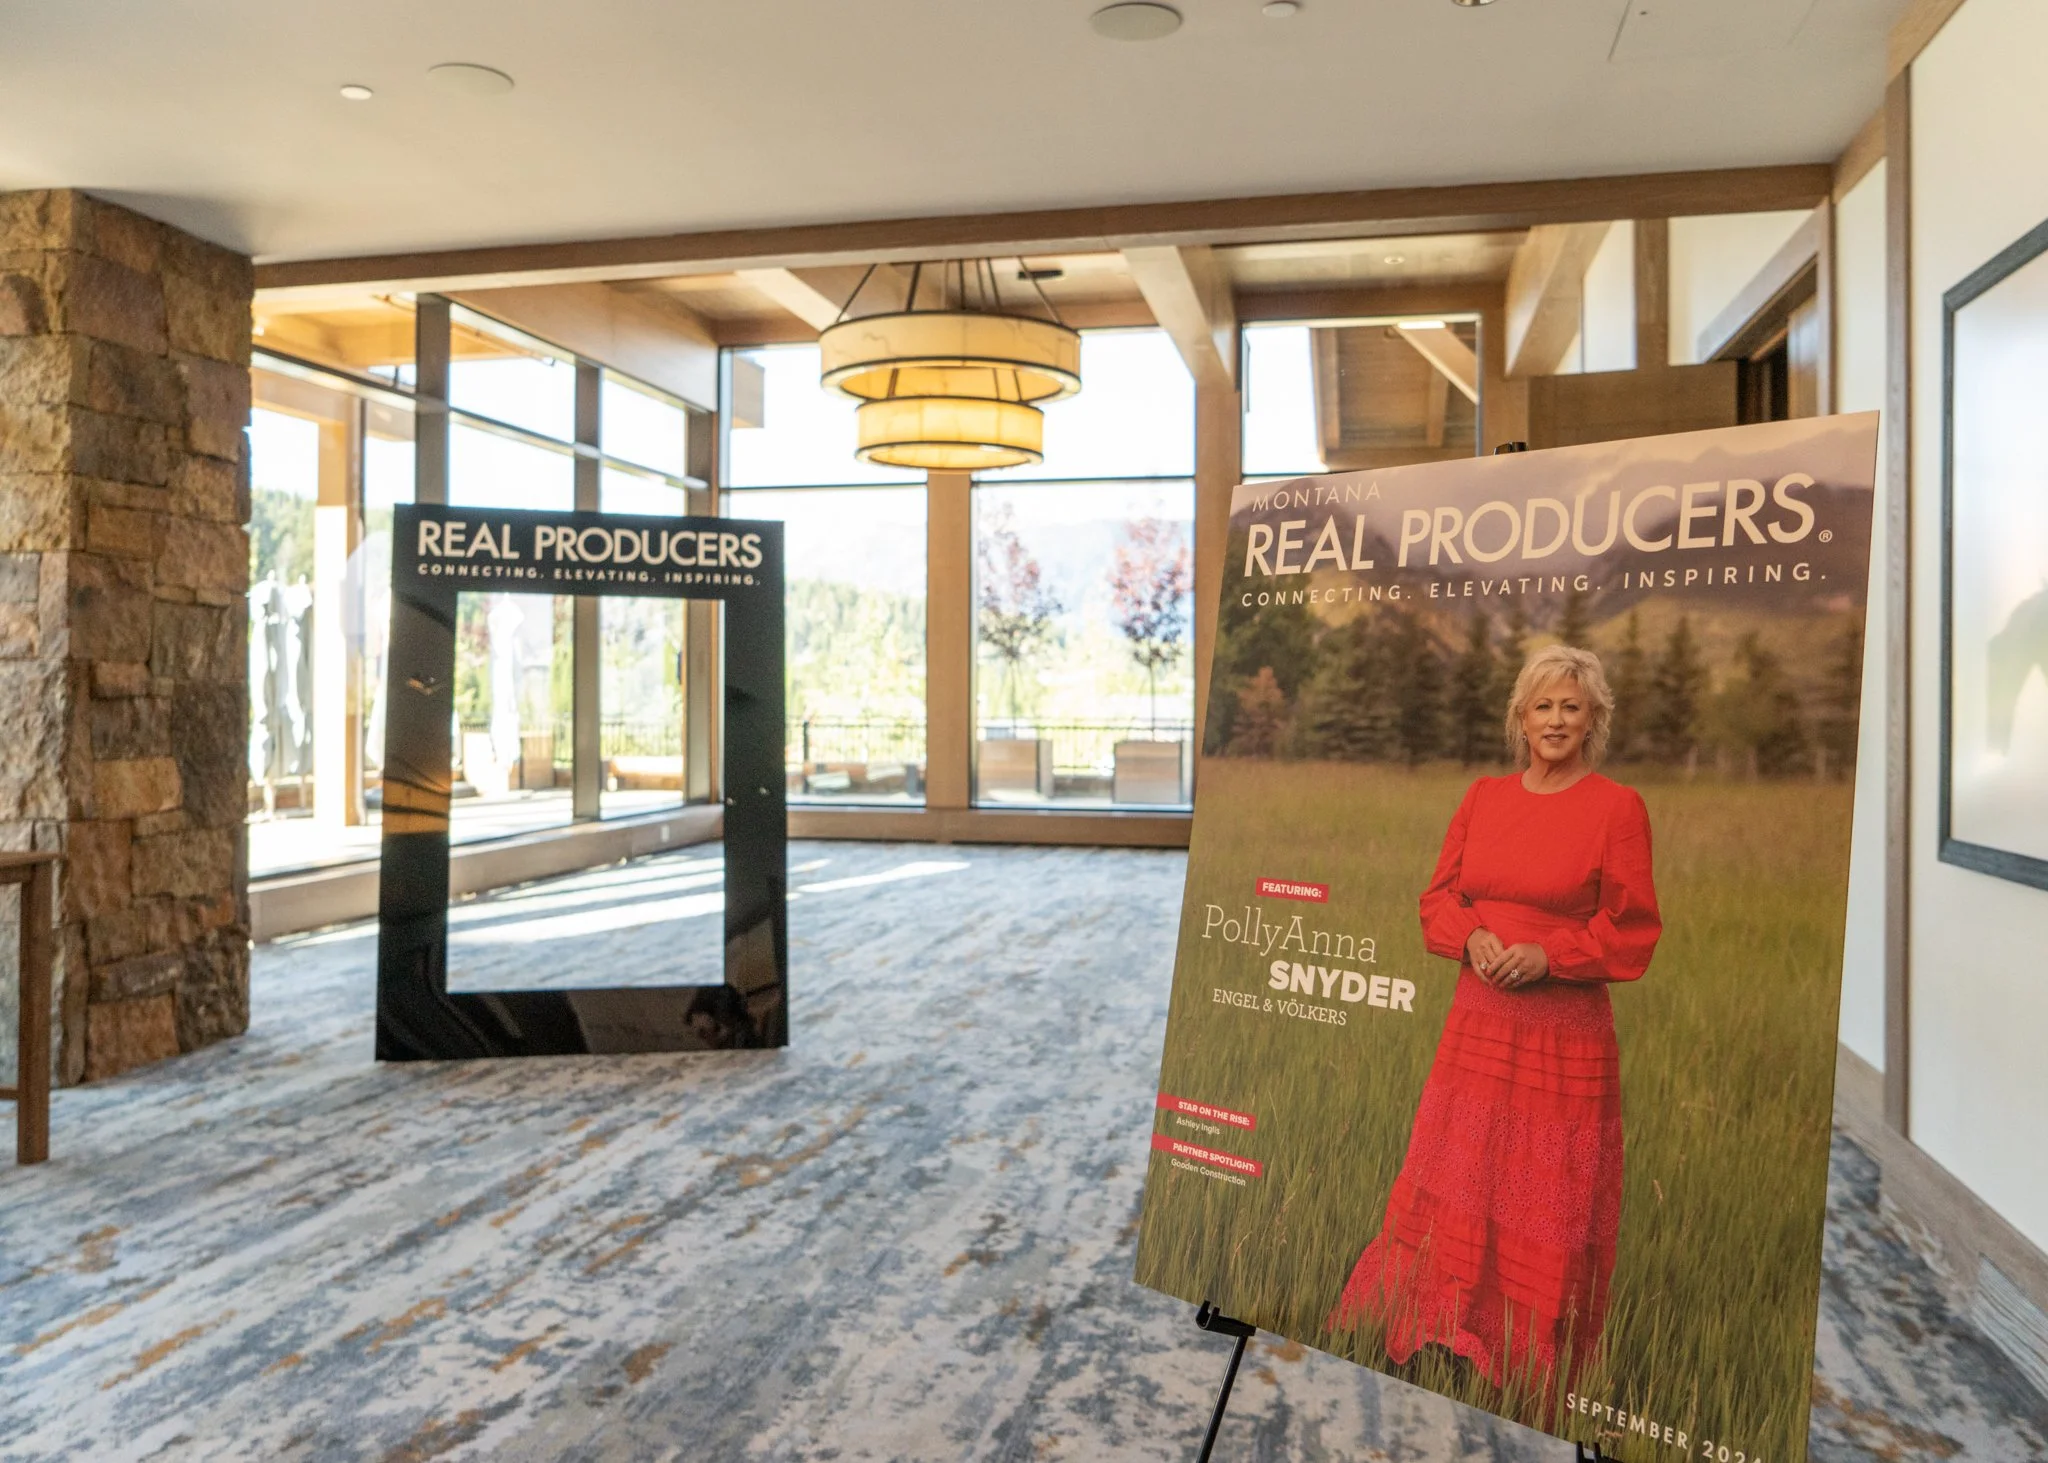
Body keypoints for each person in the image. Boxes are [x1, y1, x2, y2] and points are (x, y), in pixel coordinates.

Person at [1329, 643, 1662, 1393]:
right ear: (1520, 716)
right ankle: (1441, 1323)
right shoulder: (1483, 796)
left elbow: (1633, 927)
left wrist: (1552, 955)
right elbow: (1439, 898)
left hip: (1560, 1036)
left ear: (1593, 718)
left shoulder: (1617, 807)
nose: (1555, 719)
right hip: (1477, 1021)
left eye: (1571, 706)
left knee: (1542, 1192)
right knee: (1461, 1167)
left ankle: (1526, 1357)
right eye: (1542, 705)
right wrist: (1470, 936)